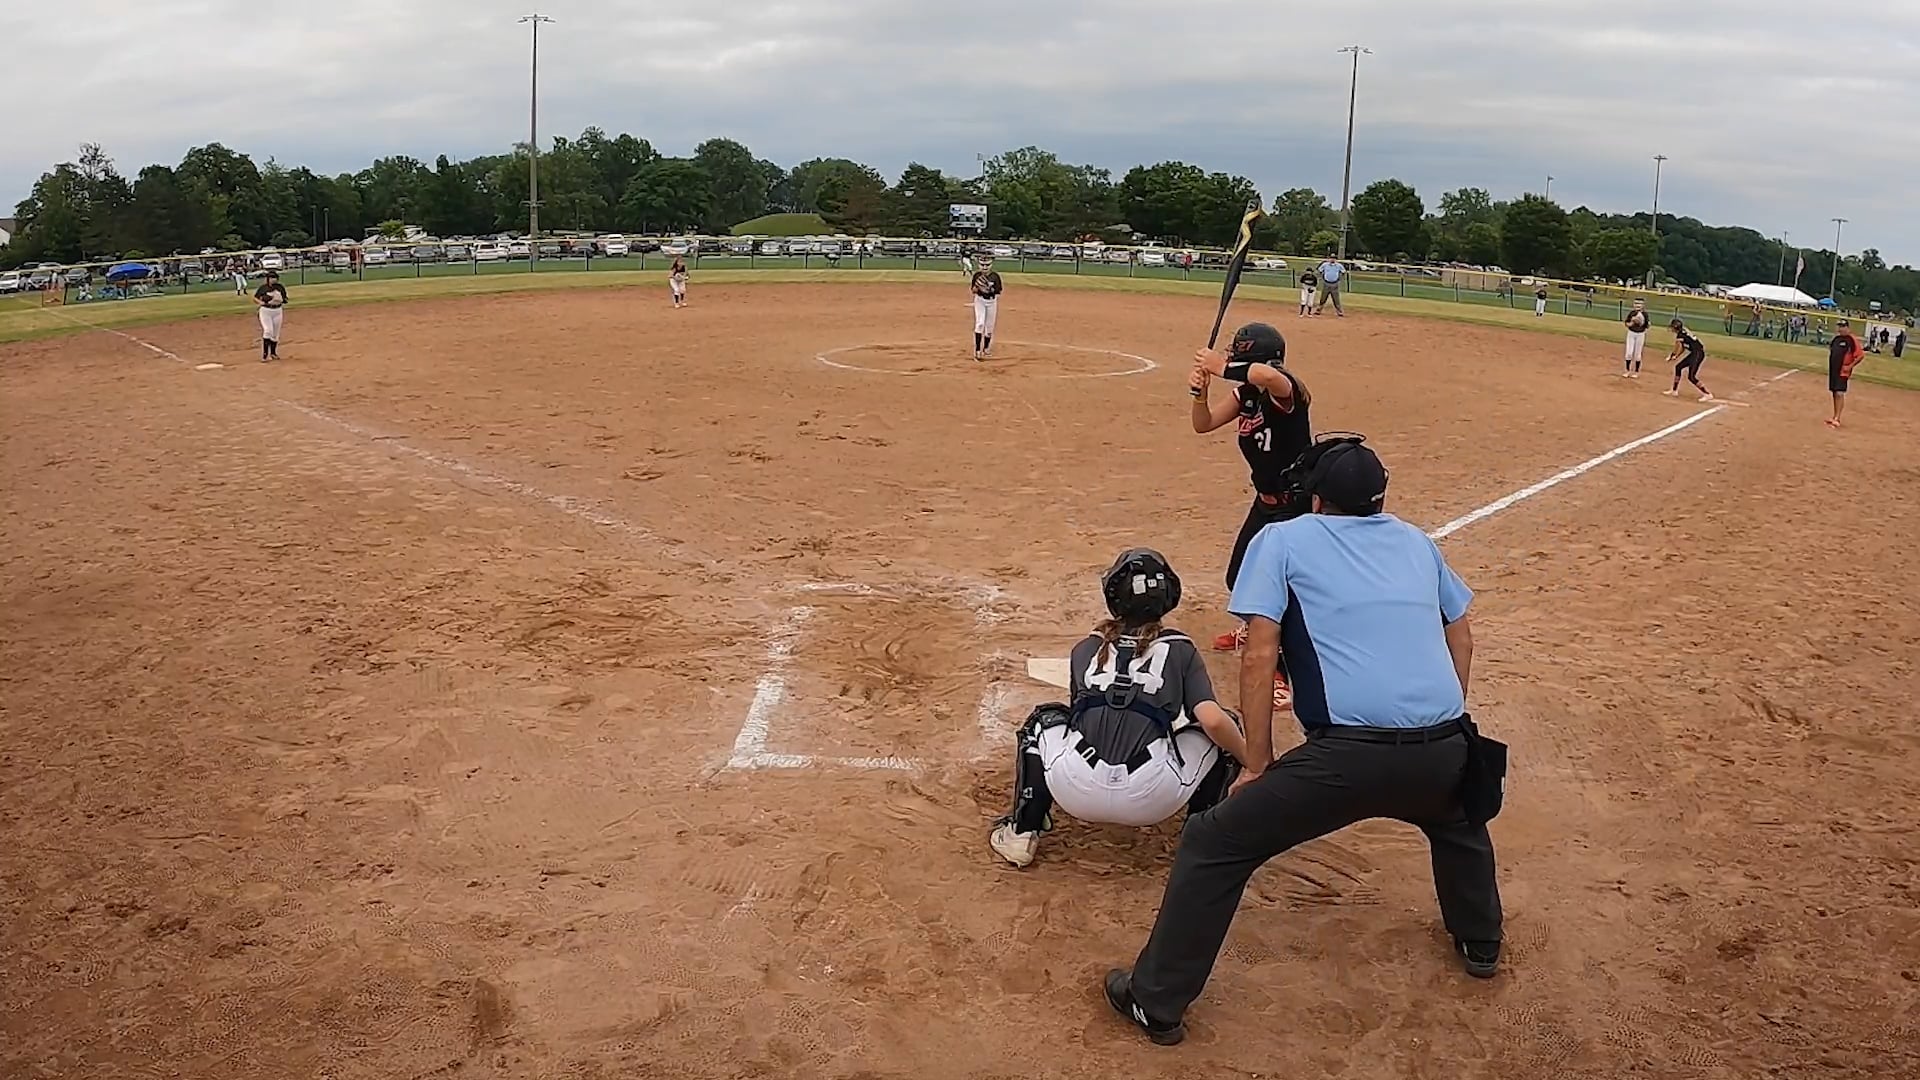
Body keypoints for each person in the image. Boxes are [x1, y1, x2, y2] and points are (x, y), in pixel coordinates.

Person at [1102, 436, 1504, 1046]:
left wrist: (1257, 762)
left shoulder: (1282, 539)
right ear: (1380, 497)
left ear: (1315, 498)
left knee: (1214, 841)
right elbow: (1462, 636)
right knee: (1458, 819)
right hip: (1443, 744)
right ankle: (1481, 940)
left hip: (1345, 760)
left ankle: (1154, 1001)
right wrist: (1444, 720)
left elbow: (1259, 652)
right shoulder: (1417, 541)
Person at [988, 549, 1252, 868]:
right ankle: (1202, 847)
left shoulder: (1087, 647)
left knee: (1042, 721)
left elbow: (1080, 717)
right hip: (1152, 796)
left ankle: (1021, 833)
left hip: (1075, 789)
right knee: (1226, 728)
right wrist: (1251, 760)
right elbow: (1212, 720)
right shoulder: (1180, 649)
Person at [1189, 322, 1314, 709]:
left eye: (1236, 353)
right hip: (1265, 503)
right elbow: (1203, 424)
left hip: (1294, 507)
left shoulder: (1285, 391)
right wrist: (1200, 393)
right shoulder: (1247, 394)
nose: (1229, 357)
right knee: (1238, 577)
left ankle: (1279, 672)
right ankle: (1254, 629)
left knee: (1281, 595)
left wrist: (1220, 367)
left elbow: (1267, 375)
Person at [1661, 318, 1714, 402]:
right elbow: (1682, 348)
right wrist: (1676, 356)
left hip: (1698, 354)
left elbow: (1678, 347)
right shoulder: (1683, 332)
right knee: (1678, 367)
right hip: (1695, 353)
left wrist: (1672, 355)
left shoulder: (1680, 335)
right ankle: (1674, 391)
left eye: (1672, 327)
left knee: (1691, 377)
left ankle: (1708, 394)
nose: (1671, 329)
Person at [1826, 318, 1864, 428]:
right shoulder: (1836, 339)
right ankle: (1834, 416)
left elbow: (1860, 355)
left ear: (1847, 327)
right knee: (1834, 393)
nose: (1840, 329)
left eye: (1843, 327)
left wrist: (1850, 366)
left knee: (1839, 393)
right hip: (1834, 370)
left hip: (1843, 371)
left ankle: (1837, 418)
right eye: (1839, 326)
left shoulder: (1851, 339)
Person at [970, 253, 1003, 360]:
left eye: (987, 265)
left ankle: (986, 348)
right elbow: (973, 290)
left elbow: (998, 291)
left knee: (989, 327)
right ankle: (977, 350)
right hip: (980, 301)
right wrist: (977, 287)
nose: (984, 267)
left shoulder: (995, 276)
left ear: (991, 265)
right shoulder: (977, 276)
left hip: (992, 302)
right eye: (982, 265)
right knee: (980, 323)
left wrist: (989, 288)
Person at [252, 269, 287, 362]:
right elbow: (255, 298)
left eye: (275, 278)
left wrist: (280, 299)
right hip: (266, 311)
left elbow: (284, 298)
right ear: (268, 279)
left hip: (278, 311)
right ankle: (265, 355)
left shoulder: (280, 287)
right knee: (268, 331)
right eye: (271, 278)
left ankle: (273, 353)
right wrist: (261, 302)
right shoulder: (264, 288)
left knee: (275, 334)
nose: (273, 279)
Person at [1622, 299, 1650, 378]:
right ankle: (1627, 370)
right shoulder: (1632, 313)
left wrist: (1641, 322)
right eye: (1636, 303)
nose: (1638, 305)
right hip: (1631, 333)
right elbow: (1627, 323)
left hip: (1640, 334)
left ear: (1643, 305)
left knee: (1638, 354)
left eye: (1640, 304)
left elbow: (1647, 325)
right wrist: (1631, 323)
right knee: (1629, 353)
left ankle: (1636, 372)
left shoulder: (1645, 314)